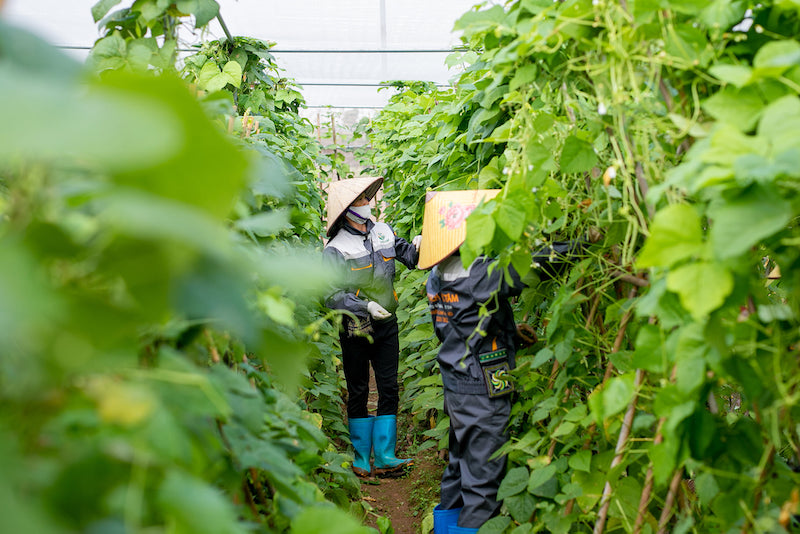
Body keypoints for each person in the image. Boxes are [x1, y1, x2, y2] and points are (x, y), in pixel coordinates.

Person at [417, 190, 581, 534]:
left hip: (457, 383)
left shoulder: (438, 274)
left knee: (460, 466)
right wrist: (581, 243)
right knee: (484, 480)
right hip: (481, 388)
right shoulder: (478, 274)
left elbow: (463, 325)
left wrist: (508, 331)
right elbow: (530, 265)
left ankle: (447, 527)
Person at [322, 176, 421, 478]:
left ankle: (386, 455)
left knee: (389, 384)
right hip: (356, 325)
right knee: (359, 387)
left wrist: (420, 247)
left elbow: (410, 257)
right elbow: (329, 294)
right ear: (346, 210)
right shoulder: (336, 248)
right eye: (360, 201)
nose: (367, 204)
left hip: (387, 322)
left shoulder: (383, 232)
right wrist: (364, 306)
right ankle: (362, 457)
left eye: (367, 199)